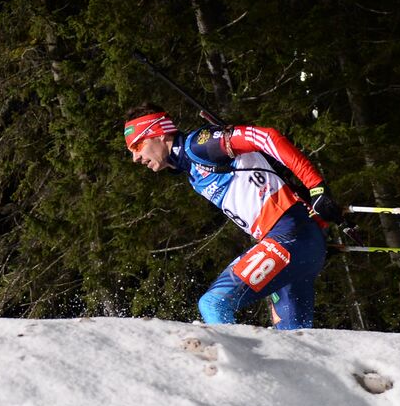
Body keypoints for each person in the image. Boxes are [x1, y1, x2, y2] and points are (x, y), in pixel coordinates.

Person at [123, 103, 345, 329]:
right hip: (296, 243)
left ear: (158, 133)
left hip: (289, 236)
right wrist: (315, 231)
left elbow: (265, 136)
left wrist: (316, 186)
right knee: (294, 344)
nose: (135, 157)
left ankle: (234, 364)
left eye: (137, 145)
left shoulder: (198, 145)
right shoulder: (190, 168)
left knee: (214, 304)